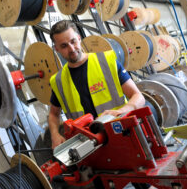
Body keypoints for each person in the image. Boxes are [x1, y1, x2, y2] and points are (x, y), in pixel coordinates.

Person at [48, 20, 148, 189]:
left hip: (122, 136)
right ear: (56, 49)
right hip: (90, 150)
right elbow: (53, 114)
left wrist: (124, 110)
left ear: (79, 38)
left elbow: (138, 96)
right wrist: (54, 135)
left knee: (144, 183)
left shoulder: (106, 61)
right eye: (64, 46)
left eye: (73, 41)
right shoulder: (57, 81)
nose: (71, 49)